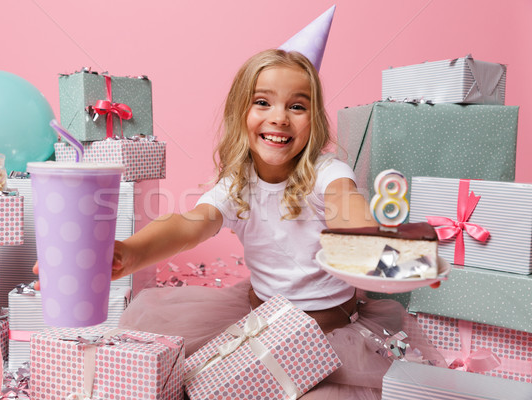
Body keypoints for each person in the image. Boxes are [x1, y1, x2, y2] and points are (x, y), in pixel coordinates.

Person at [108, 49, 446, 399]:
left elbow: (346, 206)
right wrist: (130, 252)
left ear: (314, 119)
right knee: (199, 385)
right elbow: (188, 225)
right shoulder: (236, 186)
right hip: (262, 322)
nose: (280, 118)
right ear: (241, 113)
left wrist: (376, 249)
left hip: (330, 334)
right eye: (263, 103)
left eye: (297, 106)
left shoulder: (327, 174)